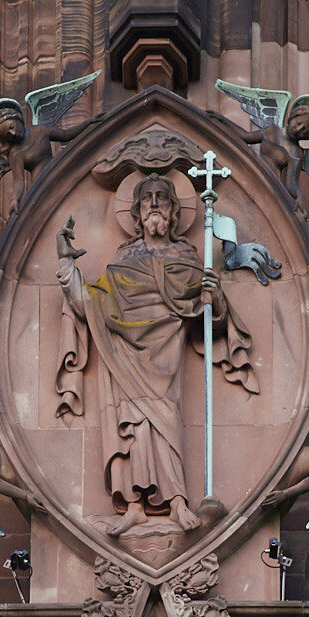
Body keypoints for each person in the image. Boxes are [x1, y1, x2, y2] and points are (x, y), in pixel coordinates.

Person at [55, 174, 257, 537]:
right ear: (135, 212)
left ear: (174, 211)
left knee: (165, 419)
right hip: (123, 355)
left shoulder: (187, 257)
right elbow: (91, 304)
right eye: (145, 199)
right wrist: (67, 266)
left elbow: (209, 315)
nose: (153, 204)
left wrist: (216, 296)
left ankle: (177, 500)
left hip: (166, 352)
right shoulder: (123, 261)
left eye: (161, 198)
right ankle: (134, 506)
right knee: (130, 425)